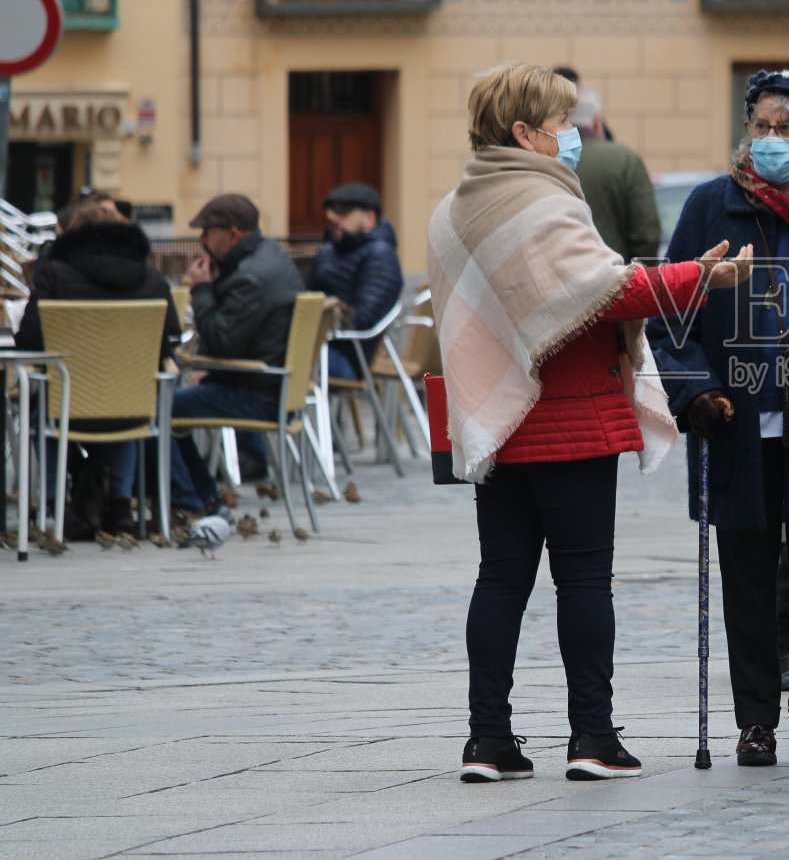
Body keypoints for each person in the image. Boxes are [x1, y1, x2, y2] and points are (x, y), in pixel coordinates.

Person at [427, 62, 752, 784]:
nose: (571, 134)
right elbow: (604, 291)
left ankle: (487, 740)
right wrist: (698, 277)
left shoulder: (452, 209)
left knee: (500, 579)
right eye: (561, 123)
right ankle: (593, 737)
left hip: (497, 421)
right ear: (524, 132)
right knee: (583, 579)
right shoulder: (541, 204)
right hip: (571, 418)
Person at [648, 69, 789, 767]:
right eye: (760, 126)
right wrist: (694, 391)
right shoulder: (714, 205)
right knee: (746, 580)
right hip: (737, 421)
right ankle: (755, 722)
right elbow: (668, 312)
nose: (769, 139)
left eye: (786, 129)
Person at [14, 200, 181, 537]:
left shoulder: (54, 275)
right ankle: (121, 507)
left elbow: (28, 341)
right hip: (132, 409)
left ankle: (55, 505)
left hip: (66, 407)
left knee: (37, 413)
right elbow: (169, 341)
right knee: (124, 409)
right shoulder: (152, 280)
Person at [169, 194, 303, 516]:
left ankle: (192, 499)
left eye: (207, 233)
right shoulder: (270, 255)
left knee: (154, 408)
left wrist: (201, 289)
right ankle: (195, 495)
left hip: (256, 393)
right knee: (167, 401)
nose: (201, 241)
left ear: (232, 234)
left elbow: (220, 340)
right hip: (267, 385)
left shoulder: (250, 277)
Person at [306, 182, 404, 381]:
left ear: (369, 218)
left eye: (343, 212)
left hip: (346, 355)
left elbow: (363, 319)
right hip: (315, 345)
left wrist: (322, 322)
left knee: (274, 361)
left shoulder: (380, 255)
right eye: (332, 212)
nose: (334, 218)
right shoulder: (329, 251)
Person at [570, 86, 661, 262]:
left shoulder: (549, 159)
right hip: (618, 272)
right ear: (597, 122)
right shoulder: (625, 159)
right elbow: (647, 233)